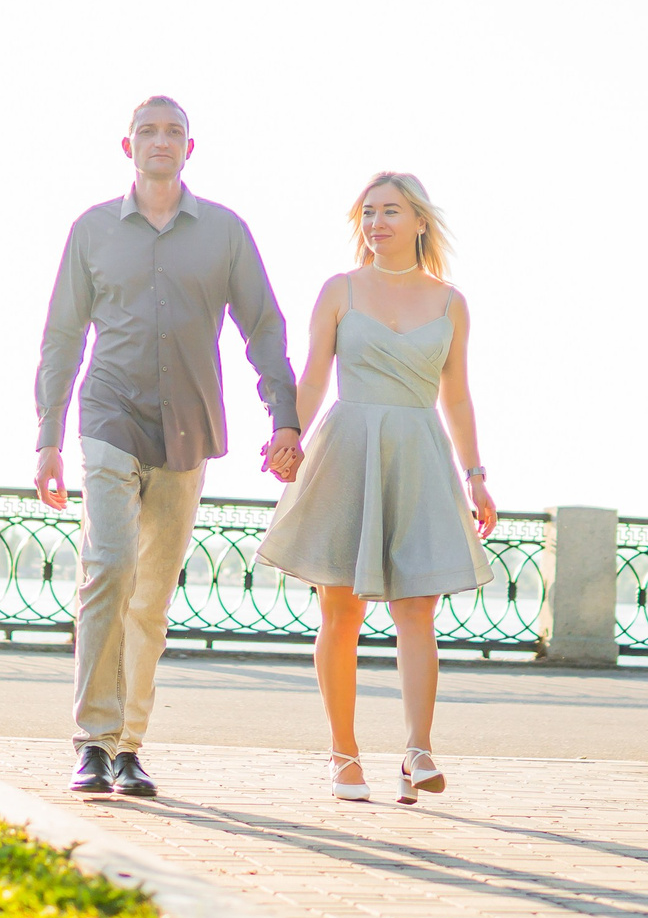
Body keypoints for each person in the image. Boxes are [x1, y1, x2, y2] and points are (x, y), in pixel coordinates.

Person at [35, 96, 303, 797]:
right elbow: (63, 337)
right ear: (127, 147)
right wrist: (48, 437)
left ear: (191, 148)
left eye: (173, 131)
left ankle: (128, 747)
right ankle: (91, 741)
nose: (161, 140)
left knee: (151, 598)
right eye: (148, 130)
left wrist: (285, 416)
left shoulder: (224, 232)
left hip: (187, 426)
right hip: (108, 415)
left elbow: (264, 326)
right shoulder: (92, 231)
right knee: (109, 565)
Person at [257, 173, 496, 804]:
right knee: (341, 609)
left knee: (417, 608)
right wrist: (288, 435)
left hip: (419, 453)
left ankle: (418, 751)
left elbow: (458, 395)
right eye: (368, 213)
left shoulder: (451, 302)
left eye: (391, 211)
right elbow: (311, 378)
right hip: (348, 449)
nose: (377, 223)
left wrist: (476, 476)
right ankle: (344, 755)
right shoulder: (340, 290)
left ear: (421, 222)